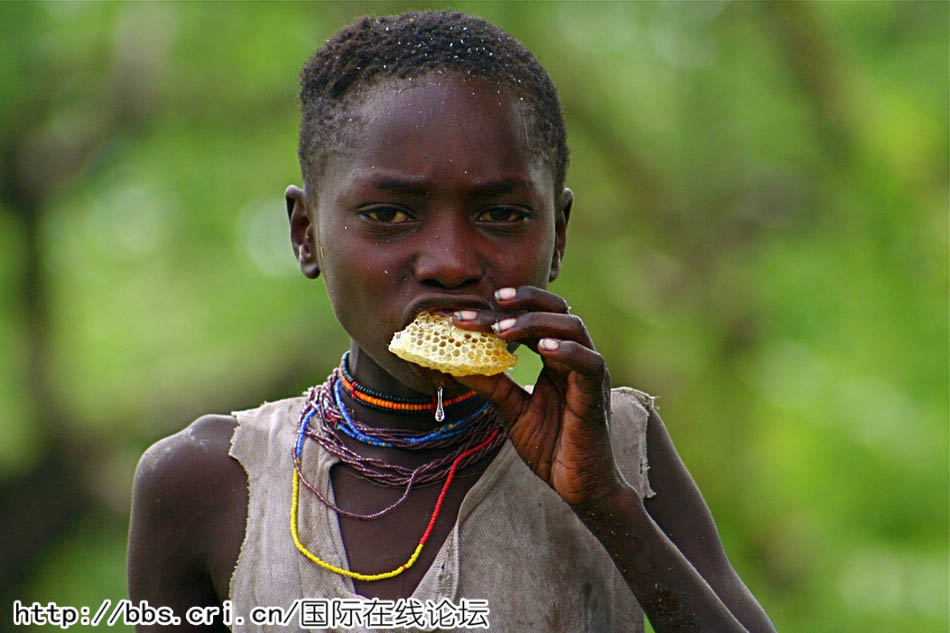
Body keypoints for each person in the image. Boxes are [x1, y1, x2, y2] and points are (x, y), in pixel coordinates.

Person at [128, 10, 777, 633]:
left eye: (501, 214)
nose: (450, 262)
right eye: (389, 214)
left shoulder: (621, 448)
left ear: (558, 236)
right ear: (306, 236)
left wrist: (609, 507)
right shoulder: (212, 482)